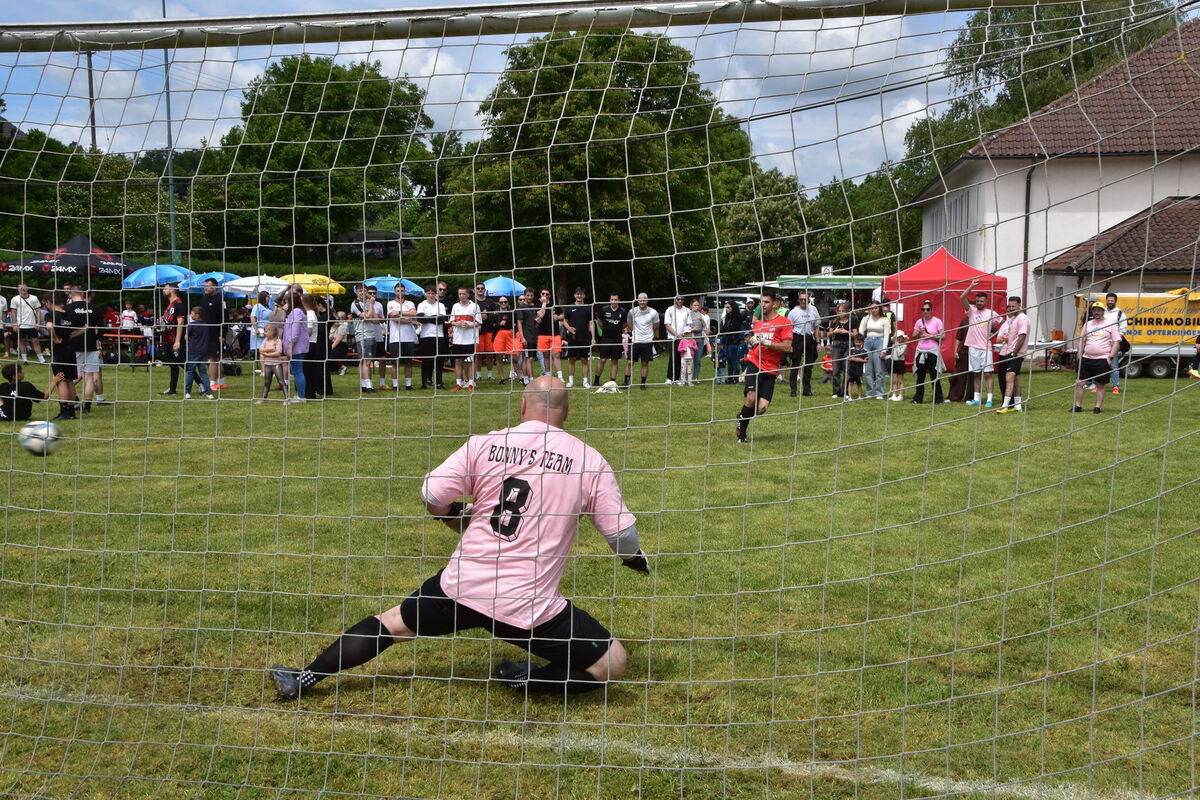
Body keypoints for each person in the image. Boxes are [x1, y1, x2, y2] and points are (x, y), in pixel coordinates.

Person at [270, 376, 649, 700]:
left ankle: (305, 677)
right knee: (611, 663)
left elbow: (433, 495)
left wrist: (456, 516)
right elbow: (621, 534)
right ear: (566, 413)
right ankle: (525, 679)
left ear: (522, 406)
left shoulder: (484, 444)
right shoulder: (588, 460)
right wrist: (633, 559)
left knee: (390, 624)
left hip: (461, 587)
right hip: (528, 606)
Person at [735, 291, 793, 443]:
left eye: (766, 302)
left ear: (774, 304)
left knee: (762, 408)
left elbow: (787, 348)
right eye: (761, 302)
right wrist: (751, 341)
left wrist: (767, 343)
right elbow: (751, 342)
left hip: (771, 367)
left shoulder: (784, 322)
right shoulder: (758, 324)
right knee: (752, 398)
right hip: (755, 363)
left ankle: (742, 416)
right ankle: (742, 432)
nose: (763, 305)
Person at [1071, 301, 1120, 414]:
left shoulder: (1111, 324)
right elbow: (1082, 340)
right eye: (1094, 310)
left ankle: (1097, 407)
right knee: (1079, 383)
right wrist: (1079, 356)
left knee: (1100, 384)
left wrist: (1110, 357)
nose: (1096, 312)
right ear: (1092, 311)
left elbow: (1116, 341)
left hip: (1102, 359)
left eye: (1099, 310)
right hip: (1086, 358)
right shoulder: (1088, 324)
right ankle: (1077, 406)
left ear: (1103, 311)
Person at [65, 287, 107, 412]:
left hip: (73, 346)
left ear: (70, 295)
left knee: (71, 377)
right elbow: (102, 327)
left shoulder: (68, 309)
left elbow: (65, 328)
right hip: (90, 346)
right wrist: (95, 338)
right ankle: (87, 407)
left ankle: (73, 402)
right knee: (89, 377)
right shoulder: (94, 308)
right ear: (83, 294)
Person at [959, 279, 999, 408]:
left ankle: (989, 399)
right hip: (973, 347)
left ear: (985, 301)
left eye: (981, 301)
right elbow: (962, 297)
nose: (979, 303)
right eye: (977, 301)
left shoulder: (991, 313)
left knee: (988, 373)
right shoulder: (971, 311)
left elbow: (1003, 323)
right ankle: (976, 398)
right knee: (976, 373)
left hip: (985, 347)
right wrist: (971, 286)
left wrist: (994, 334)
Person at [42, 292, 79, 421]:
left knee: (61, 380)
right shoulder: (69, 314)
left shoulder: (50, 314)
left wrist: (55, 338)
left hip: (59, 352)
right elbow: (80, 330)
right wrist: (71, 336)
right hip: (71, 350)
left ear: (49, 302)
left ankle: (64, 412)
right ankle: (72, 411)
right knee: (70, 381)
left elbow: (49, 326)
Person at [994, 295, 1030, 413]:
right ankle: (1018, 405)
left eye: (1013, 306)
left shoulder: (1022, 319)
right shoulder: (1012, 319)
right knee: (1016, 379)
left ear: (1020, 305)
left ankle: (1005, 406)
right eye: (1009, 306)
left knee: (1009, 378)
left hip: (1015, 353)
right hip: (1009, 352)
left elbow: (1021, 338)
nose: (1010, 308)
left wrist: (1014, 353)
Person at [349, 285, 384, 393]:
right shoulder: (356, 304)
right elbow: (368, 316)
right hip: (363, 335)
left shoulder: (367, 303)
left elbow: (376, 320)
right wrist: (371, 304)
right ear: (356, 292)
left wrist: (371, 310)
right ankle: (368, 386)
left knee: (365, 360)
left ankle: (364, 385)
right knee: (367, 361)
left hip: (371, 334)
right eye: (360, 291)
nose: (363, 293)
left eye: (365, 291)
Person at [557, 286, 594, 389]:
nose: (579, 296)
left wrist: (593, 337)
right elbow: (564, 321)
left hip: (585, 338)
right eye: (578, 294)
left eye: (581, 294)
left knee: (584, 360)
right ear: (574, 295)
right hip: (572, 338)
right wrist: (569, 327)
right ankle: (570, 381)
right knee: (571, 359)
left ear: (584, 295)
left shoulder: (588, 307)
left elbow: (591, 323)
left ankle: (585, 382)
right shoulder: (569, 307)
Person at [786, 291, 821, 397]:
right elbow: (789, 329)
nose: (803, 301)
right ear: (798, 300)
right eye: (801, 299)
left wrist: (818, 342)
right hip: (797, 338)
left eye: (805, 299)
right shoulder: (793, 312)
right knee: (795, 364)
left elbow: (816, 328)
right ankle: (793, 390)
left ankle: (807, 389)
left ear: (808, 299)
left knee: (809, 365)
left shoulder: (813, 311)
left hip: (809, 338)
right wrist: (789, 344)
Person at [910, 301, 945, 405]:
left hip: (933, 352)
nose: (925, 311)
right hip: (921, 352)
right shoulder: (919, 322)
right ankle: (918, 398)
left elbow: (943, 336)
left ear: (932, 310)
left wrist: (930, 336)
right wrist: (919, 332)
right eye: (923, 309)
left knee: (934, 376)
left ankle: (938, 399)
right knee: (920, 376)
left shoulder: (937, 321)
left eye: (927, 309)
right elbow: (913, 336)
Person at [385, 286, 418, 391]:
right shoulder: (390, 303)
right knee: (395, 363)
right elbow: (394, 319)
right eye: (398, 290)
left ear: (405, 291)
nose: (400, 292)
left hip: (408, 337)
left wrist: (399, 313)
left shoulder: (410, 303)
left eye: (402, 290)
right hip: (395, 338)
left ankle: (408, 385)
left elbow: (414, 314)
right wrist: (410, 320)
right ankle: (395, 385)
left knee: (408, 362)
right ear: (394, 291)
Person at [449, 286, 481, 391]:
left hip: (470, 339)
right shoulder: (455, 306)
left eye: (463, 294)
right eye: (459, 294)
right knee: (458, 361)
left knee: (470, 361)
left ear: (468, 294)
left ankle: (471, 383)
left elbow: (479, 322)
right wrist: (456, 323)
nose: (461, 296)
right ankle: (459, 384)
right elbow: (451, 321)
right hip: (458, 339)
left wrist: (469, 326)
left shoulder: (475, 306)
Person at [416, 283, 447, 390]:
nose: (430, 295)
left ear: (435, 294)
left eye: (433, 293)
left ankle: (439, 382)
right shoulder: (421, 305)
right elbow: (420, 319)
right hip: (425, 336)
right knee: (426, 361)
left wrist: (427, 318)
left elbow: (442, 320)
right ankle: (424, 382)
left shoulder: (440, 305)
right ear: (426, 294)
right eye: (428, 293)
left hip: (439, 336)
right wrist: (434, 318)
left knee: (439, 360)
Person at [625, 293, 660, 390]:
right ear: (637, 301)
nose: (642, 302)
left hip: (647, 341)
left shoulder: (653, 312)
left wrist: (648, 333)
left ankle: (642, 384)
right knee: (629, 362)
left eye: (644, 300)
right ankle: (626, 382)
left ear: (647, 301)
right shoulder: (632, 311)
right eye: (640, 300)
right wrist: (635, 332)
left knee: (645, 363)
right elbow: (628, 323)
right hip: (635, 341)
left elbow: (656, 325)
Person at [198, 278, 227, 392]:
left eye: (208, 286)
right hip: (206, 333)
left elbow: (224, 318)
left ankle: (212, 383)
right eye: (205, 286)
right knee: (215, 358)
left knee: (213, 358)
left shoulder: (221, 299)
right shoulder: (204, 299)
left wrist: (222, 333)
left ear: (214, 287)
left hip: (216, 333)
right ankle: (222, 382)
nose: (205, 288)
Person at [593, 292, 628, 386]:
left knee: (615, 360)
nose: (614, 301)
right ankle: (596, 381)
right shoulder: (604, 309)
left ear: (619, 300)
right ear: (610, 300)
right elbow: (599, 322)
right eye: (612, 299)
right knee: (603, 359)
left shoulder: (623, 311)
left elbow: (624, 324)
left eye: (616, 299)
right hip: (606, 338)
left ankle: (612, 382)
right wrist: (605, 330)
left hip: (617, 338)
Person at [857, 303, 890, 400]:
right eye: (871, 308)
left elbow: (886, 336)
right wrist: (861, 345)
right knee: (868, 370)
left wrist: (884, 350)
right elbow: (861, 331)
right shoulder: (866, 318)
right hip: (868, 342)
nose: (873, 310)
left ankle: (880, 392)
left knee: (879, 370)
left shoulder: (885, 320)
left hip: (879, 342)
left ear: (879, 308)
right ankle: (870, 392)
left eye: (875, 308)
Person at [183, 306, 215, 400]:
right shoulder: (206, 325)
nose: (190, 315)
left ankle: (187, 392)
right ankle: (209, 393)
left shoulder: (191, 325)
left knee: (190, 371)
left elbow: (186, 337)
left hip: (193, 351)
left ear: (197, 315)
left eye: (192, 313)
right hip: (204, 351)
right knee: (203, 372)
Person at [9, 283, 46, 364]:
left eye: (24, 286)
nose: (23, 288)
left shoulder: (34, 298)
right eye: (21, 287)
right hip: (20, 325)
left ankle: (42, 360)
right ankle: (25, 360)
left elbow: (38, 310)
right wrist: (14, 324)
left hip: (32, 324)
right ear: (18, 289)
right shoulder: (15, 299)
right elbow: (13, 312)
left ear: (28, 288)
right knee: (21, 342)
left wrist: (38, 322)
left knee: (36, 341)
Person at [661, 295, 690, 385]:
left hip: (683, 338)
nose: (680, 300)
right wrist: (677, 334)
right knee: (672, 357)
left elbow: (689, 324)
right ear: (675, 299)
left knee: (681, 359)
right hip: (672, 337)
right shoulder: (669, 310)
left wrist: (684, 333)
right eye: (678, 299)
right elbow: (667, 325)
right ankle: (669, 378)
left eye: (682, 299)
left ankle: (677, 378)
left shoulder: (687, 310)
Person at [1103, 292, 1128, 396]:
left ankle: (1115, 387)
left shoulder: (1120, 314)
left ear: (1115, 301)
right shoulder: (1102, 312)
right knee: (1100, 364)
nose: (1110, 302)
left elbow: (1122, 330)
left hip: (1114, 344)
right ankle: (1098, 384)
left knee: (1114, 365)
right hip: (1102, 342)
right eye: (1108, 300)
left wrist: (1116, 342)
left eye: (1112, 301)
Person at [257, 324, 289, 403]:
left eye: (267, 331)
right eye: (265, 331)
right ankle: (264, 398)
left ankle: (287, 399)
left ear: (274, 332)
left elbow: (278, 353)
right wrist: (271, 349)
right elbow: (261, 349)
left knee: (281, 381)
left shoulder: (278, 341)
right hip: (267, 364)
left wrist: (266, 354)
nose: (265, 333)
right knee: (267, 382)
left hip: (276, 364)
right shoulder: (265, 340)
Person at [826, 303, 853, 399]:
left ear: (847, 311)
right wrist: (834, 332)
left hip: (848, 344)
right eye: (839, 311)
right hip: (836, 345)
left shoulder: (852, 320)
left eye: (843, 311)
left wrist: (847, 332)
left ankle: (845, 391)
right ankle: (836, 391)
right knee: (836, 369)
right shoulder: (834, 321)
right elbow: (828, 334)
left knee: (847, 369)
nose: (841, 313)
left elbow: (856, 334)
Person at [474, 281, 499, 382]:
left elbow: (495, 315)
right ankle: (478, 375)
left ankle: (490, 374)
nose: (480, 290)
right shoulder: (472, 302)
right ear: (475, 289)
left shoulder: (491, 302)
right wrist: (479, 317)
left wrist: (487, 317)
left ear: (485, 290)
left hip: (489, 331)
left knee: (490, 354)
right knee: (478, 355)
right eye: (478, 288)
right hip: (477, 331)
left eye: (482, 288)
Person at [715, 301, 745, 385]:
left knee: (734, 361)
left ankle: (736, 379)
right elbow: (724, 327)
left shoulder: (737, 317)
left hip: (734, 341)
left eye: (728, 307)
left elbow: (733, 328)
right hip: (727, 341)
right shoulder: (727, 316)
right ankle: (730, 378)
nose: (726, 309)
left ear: (733, 307)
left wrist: (724, 330)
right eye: (726, 307)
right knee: (729, 361)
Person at [514, 288, 540, 385]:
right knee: (528, 358)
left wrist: (537, 321)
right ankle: (531, 379)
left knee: (529, 358)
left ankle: (525, 378)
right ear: (524, 295)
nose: (529, 297)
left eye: (531, 295)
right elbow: (519, 323)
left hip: (534, 335)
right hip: (527, 336)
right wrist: (522, 337)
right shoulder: (521, 307)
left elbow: (536, 319)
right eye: (528, 295)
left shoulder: (534, 306)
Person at [534, 289, 562, 379]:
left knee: (556, 354)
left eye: (547, 294)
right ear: (540, 294)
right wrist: (544, 303)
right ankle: (548, 375)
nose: (545, 295)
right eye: (543, 293)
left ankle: (560, 375)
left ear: (550, 295)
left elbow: (562, 315)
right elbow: (540, 315)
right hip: (543, 334)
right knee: (546, 355)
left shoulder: (555, 304)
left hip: (555, 333)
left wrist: (558, 317)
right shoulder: (537, 305)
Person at [490, 295, 518, 383]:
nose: (503, 303)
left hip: (510, 336)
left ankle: (518, 376)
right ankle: (502, 378)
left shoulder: (512, 313)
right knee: (499, 357)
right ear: (498, 303)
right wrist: (499, 324)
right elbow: (491, 326)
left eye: (505, 302)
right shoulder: (494, 314)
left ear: (508, 303)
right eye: (501, 302)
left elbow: (516, 324)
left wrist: (513, 329)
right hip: (498, 336)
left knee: (514, 356)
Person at [689, 299, 712, 382]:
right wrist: (692, 329)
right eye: (695, 305)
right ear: (691, 306)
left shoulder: (700, 315)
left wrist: (701, 319)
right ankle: (688, 377)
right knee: (689, 359)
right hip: (690, 340)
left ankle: (696, 377)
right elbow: (685, 327)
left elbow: (705, 327)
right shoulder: (688, 314)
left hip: (700, 340)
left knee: (697, 360)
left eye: (698, 305)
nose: (696, 307)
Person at [250, 291, 272, 364]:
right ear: (263, 297)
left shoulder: (267, 307)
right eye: (267, 297)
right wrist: (256, 328)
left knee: (267, 347)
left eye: (269, 297)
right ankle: (263, 368)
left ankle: (267, 365)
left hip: (268, 330)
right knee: (262, 348)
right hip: (260, 329)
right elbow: (253, 317)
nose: (268, 298)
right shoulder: (257, 306)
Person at [887, 330, 908, 401]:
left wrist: (897, 345)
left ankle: (901, 395)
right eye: (897, 337)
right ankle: (894, 394)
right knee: (894, 380)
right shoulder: (894, 345)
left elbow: (899, 354)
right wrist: (886, 357)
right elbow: (893, 354)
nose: (898, 339)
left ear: (903, 338)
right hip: (894, 362)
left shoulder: (904, 345)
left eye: (900, 337)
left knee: (900, 380)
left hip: (900, 363)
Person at [846, 334, 867, 400]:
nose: (858, 343)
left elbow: (866, 360)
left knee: (859, 384)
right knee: (850, 383)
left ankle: (859, 396)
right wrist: (853, 359)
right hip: (852, 369)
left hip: (859, 370)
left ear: (862, 342)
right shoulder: (851, 350)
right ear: (854, 341)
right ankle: (849, 396)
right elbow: (847, 358)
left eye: (860, 342)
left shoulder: (864, 351)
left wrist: (860, 360)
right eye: (856, 341)